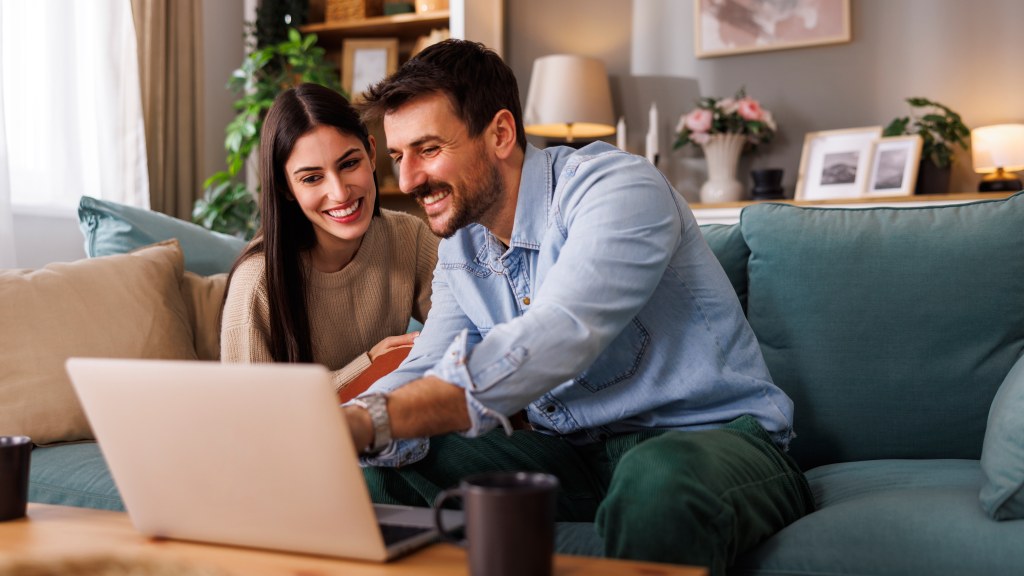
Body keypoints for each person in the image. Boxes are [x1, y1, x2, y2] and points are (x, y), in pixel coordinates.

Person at [343, 40, 813, 575]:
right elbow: (426, 365)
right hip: (574, 459)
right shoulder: (461, 247)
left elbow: (561, 333)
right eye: (398, 157)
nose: (407, 180)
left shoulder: (616, 187)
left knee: (657, 479)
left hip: (711, 443)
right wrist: (336, 427)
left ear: (500, 133)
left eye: (427, 149)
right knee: (381, 464)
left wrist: (373, 419)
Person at [220, 83, 438, 396]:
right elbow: (249, 410)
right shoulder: (256, 283)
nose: (339, 193)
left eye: (349, 164)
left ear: (371, 153)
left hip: (387, 421)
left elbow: (470, 329)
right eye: (312, 178)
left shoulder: (407, 237)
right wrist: (370, 366)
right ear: (285, 187)